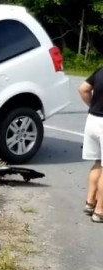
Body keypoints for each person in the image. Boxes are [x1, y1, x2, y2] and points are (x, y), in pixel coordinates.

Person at [79, 66, 103, 222]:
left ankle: (90, 203)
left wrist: (92, 106)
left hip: (93, 120)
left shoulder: (100, 70)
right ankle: (100, 211)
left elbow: (83, 89)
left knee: (98, 162)